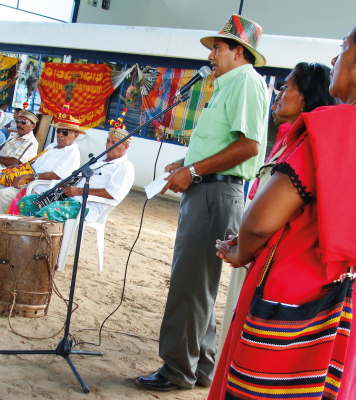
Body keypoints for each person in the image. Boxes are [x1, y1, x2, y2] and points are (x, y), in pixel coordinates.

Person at [210, 13, 356, 400]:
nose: (335, 61)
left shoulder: (340, 126)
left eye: (344, 50)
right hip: (355, 307)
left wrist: (240, 250)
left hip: (300, 299)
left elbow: (260, 221)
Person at [135, 14, 269, 392]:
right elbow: (224, 144)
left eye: (218, 47)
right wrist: (186, 164)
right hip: (207, 190)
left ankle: (176, 371)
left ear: (239, 52)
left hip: (215, 193)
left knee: (190, 285)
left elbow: (249, 147)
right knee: (199, 285)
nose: (211, 55)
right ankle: (201, 368)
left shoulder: (245, 82)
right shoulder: (226, 85)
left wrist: (193, 172)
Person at [216, 62, 337, 364]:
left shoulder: (309, 145)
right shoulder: (286, 138)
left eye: (287, 87)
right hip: (252, 252)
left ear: (307, 98)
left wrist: (244, 248)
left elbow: (273, 219)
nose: (279, 93)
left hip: (268, 260)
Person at [16, 122, 134, 224]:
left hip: (84, 206)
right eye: (108, 141)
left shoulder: (125, 167)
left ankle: (47, 247)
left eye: (114, 143)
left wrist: (79, 191)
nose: (109, 145)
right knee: (27, 202)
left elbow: (113, 194)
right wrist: (66, 183)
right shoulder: (100, 159)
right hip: (66, 197)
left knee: (48, 212)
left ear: (126, 147)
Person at [0, 114, 82, 225]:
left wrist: (28, 176)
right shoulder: (52, 146)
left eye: (65, 132)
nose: (60, 135)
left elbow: (58, 176)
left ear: (75, 135)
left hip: (39, 187)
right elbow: (35, 163)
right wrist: (18, 169)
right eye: (59, 131)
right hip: (28, 180)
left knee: (1, 195)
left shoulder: (72, 152)